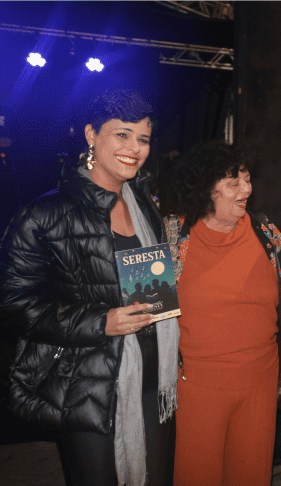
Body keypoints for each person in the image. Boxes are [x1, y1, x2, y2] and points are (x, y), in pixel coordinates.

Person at [0, 90, 178, 485]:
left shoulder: (145, 206)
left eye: (143, 139)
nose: (134, 149)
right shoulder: (45, 214)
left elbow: (148, 284)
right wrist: (101, 322)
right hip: (86, 385)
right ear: (91, 135)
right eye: (122, 135)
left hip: (153, 377)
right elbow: (15, 304)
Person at [162, 140, 281, 485]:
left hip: (260, 382)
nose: (246, 189)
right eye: (234, 183)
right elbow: (145, 310)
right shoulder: (170, 236)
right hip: (196, 388)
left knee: (251, 475)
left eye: (247, 180)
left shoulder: (266, 233)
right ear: (206, 188)